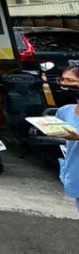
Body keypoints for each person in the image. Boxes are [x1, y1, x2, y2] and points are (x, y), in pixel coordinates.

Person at [55, 66, 79, 210]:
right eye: (62, 80)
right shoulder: (65, 110)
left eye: (70, 80)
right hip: (75, 171)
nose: (65, 84)